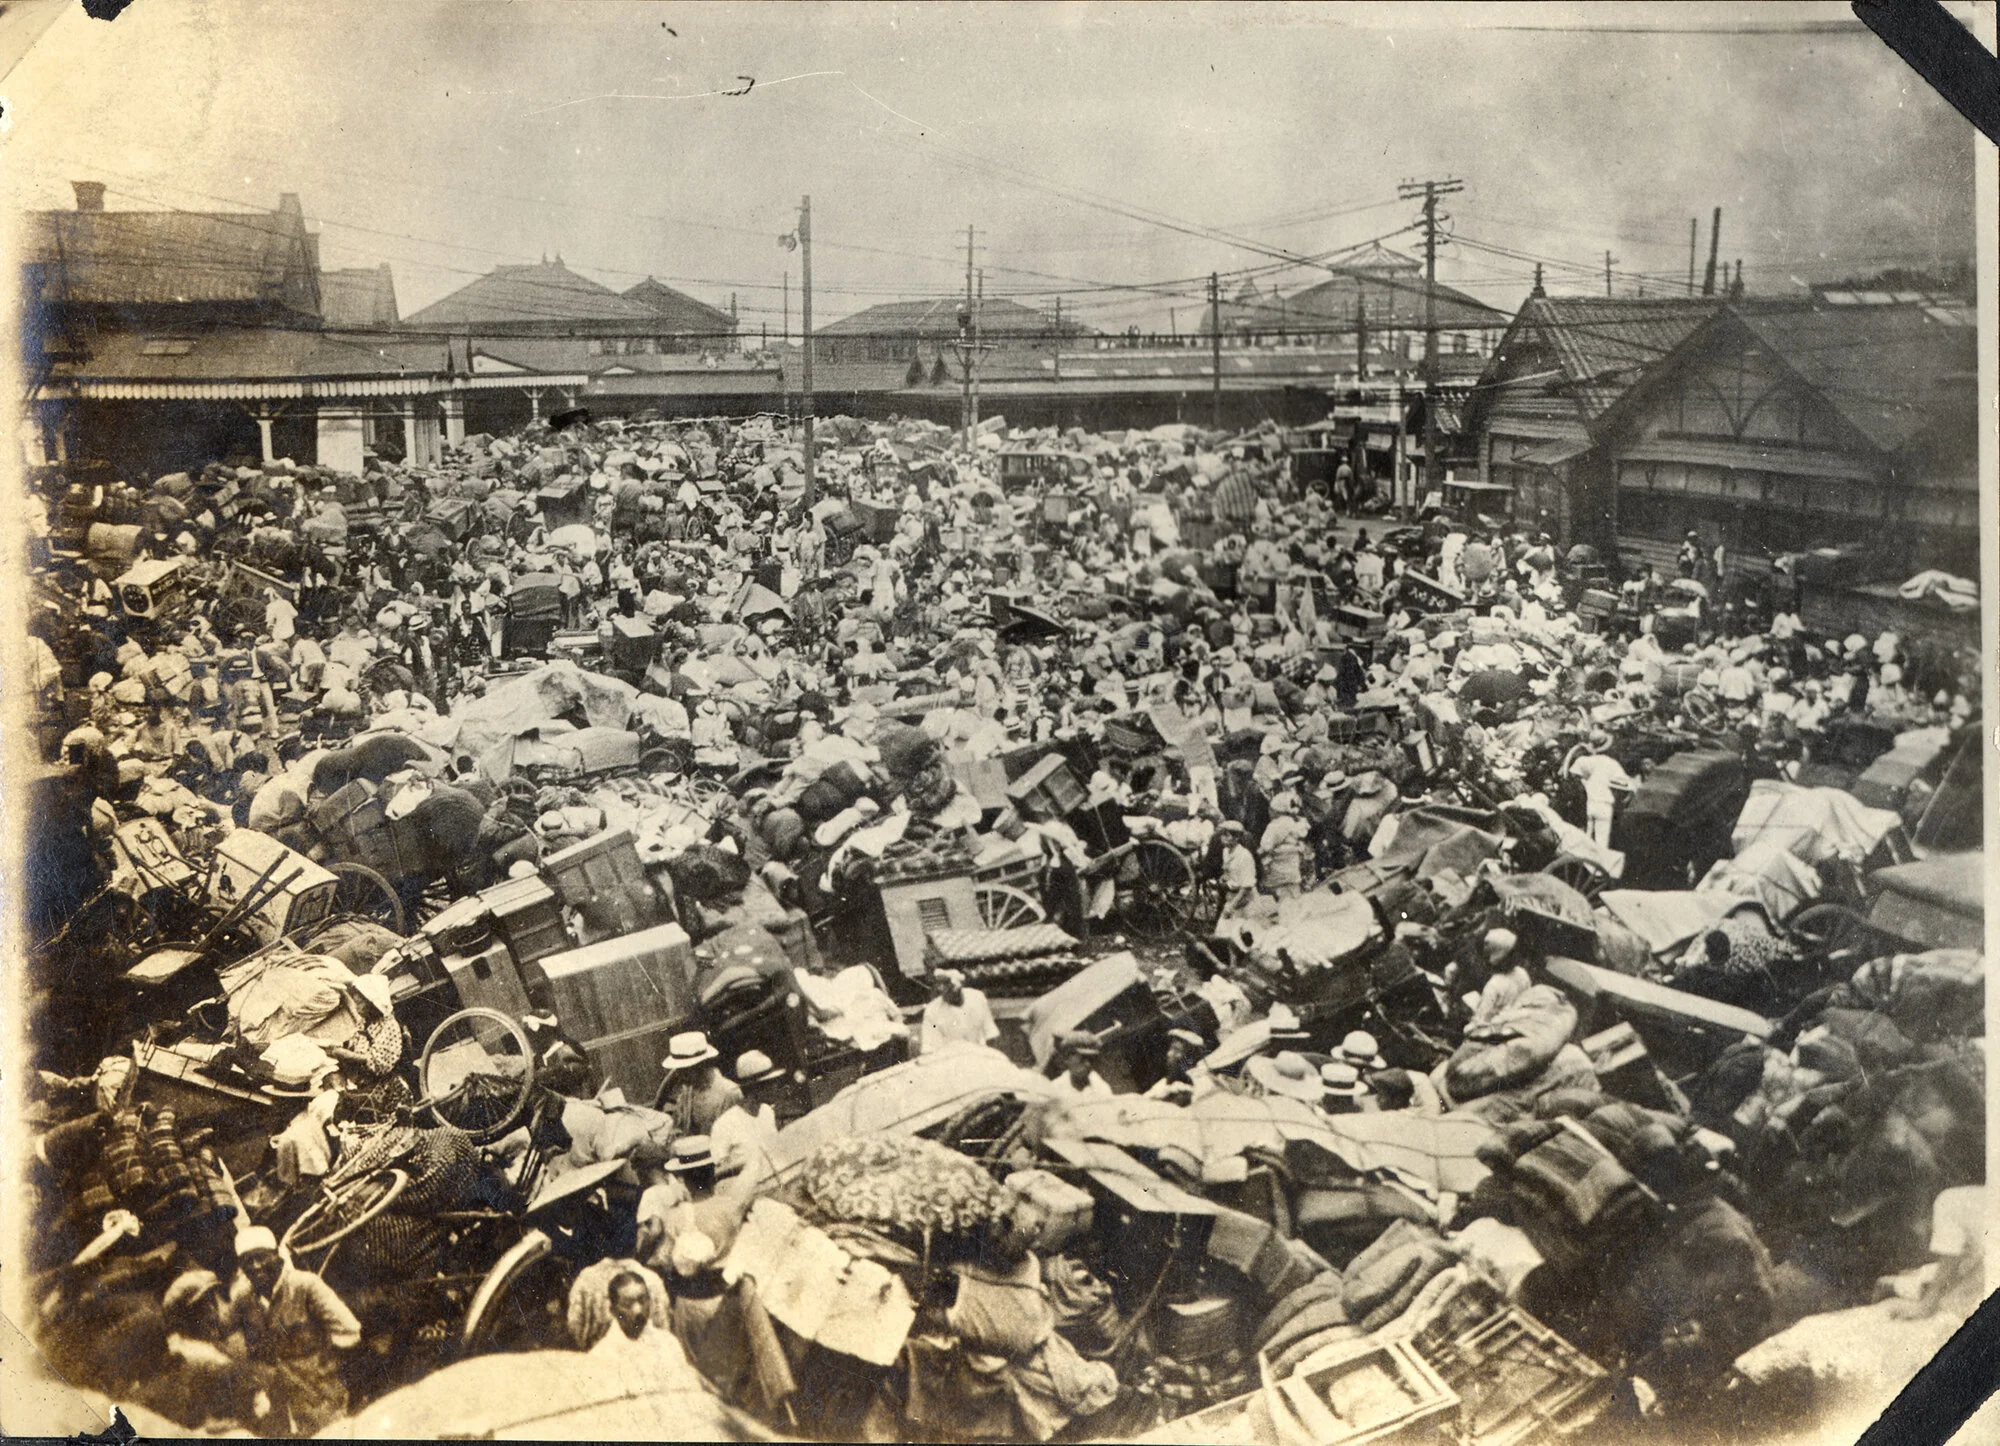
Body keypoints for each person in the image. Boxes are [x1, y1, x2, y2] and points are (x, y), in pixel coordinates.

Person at [223, 1225, 361, 1437]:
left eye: (261, 1257)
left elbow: (349, 1331)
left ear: (276, 1257)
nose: (256, 1266)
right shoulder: (243, 1299)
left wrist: (325, 1370)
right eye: (248, 1261)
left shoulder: (304, 1285)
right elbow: (224, 1336)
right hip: (277, 1405)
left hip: (320, 1397)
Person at [653, 1032, 741, 1135]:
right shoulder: (688, 1092)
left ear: (701, 1065)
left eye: (685, 1070)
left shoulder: (729, 1093)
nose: (680, 1075)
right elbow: (680, 1125)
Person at [1569, 731, 1634, 848]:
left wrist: (1585, 782)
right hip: (1604, 805)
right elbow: (1627, 785)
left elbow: (1572, 775)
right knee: (1601, 841)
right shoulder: (1612, 764)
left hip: (1590, 803)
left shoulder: (1584, 761)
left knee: (1588, 837)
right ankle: (1598, 864)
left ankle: (1587, 864)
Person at [919, 968, 1000, 1055]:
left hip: (980, 1057)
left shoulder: (977, 997)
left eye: (947, 983)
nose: (942, 989)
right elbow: (929, 1048)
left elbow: (991, 1034)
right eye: (939, 984)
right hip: (950, 1061)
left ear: (960, 984)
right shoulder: (932, 1010)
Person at [1051, 1033, 1114, 1099]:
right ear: (1066, 1058)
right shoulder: (1054, 1090)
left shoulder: (1101, 1087)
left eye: (1092, 1060)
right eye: (1082, 1058)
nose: (1087, 1064)